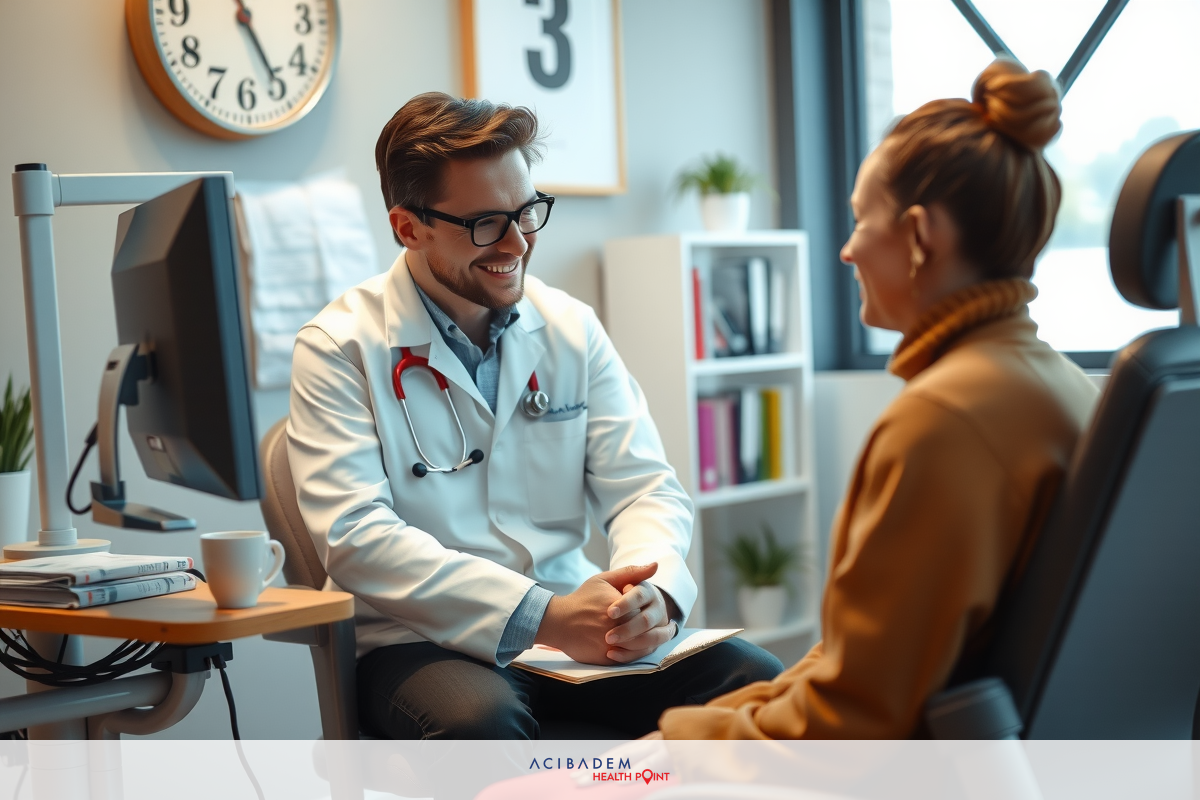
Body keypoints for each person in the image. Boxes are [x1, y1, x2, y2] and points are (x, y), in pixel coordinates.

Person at [286, 92, 781, 739]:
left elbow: (644, 486)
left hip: (574, 629)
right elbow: (357, 537)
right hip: (420, 639)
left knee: (758, 686)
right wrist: (539, 615)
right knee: (481, 726)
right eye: (488, 223)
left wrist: (649, 592)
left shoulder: (569, 328)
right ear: (409, 227)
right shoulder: (339, 346)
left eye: (527, 211)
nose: (519, 242)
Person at [651, 58, 1101, 739]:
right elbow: (855, 666)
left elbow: (848, 725)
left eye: (861, 220)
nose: (846, 251)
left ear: (920, 237)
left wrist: (666, 751)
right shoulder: (1050, 380)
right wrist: (706, 725)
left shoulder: (945, 421)